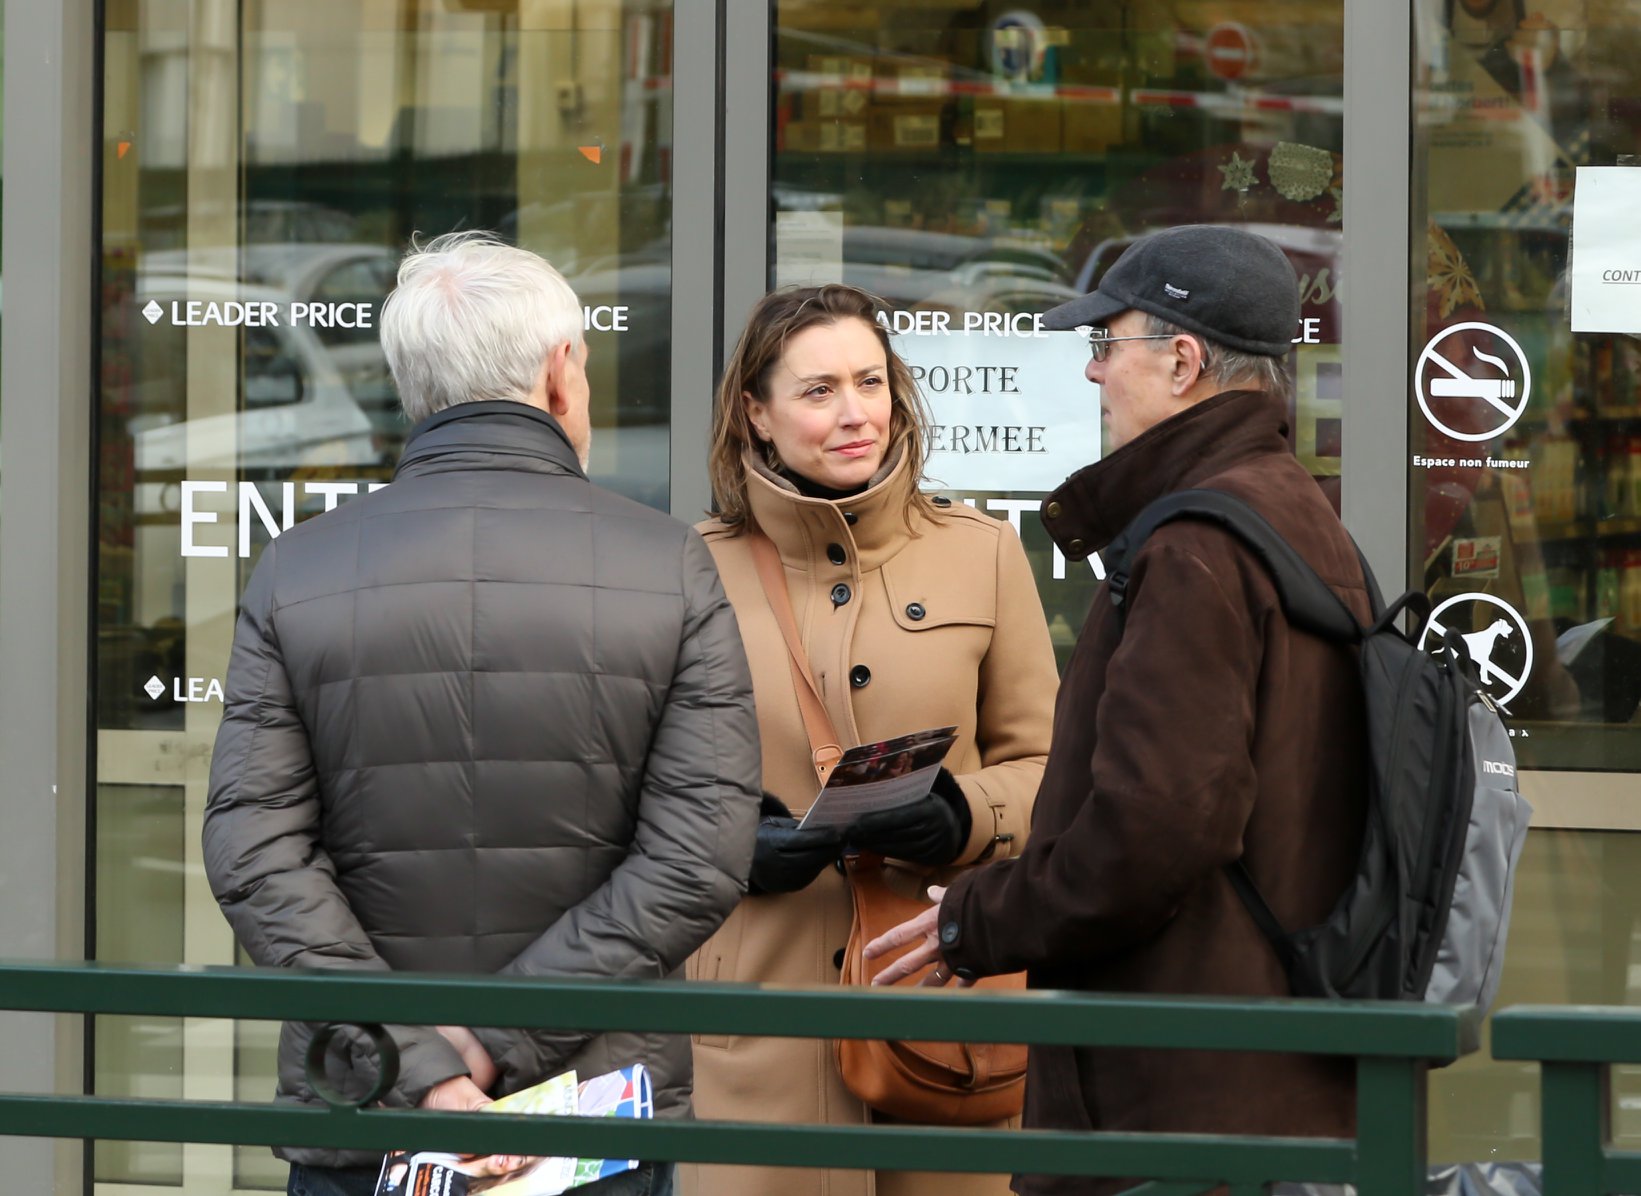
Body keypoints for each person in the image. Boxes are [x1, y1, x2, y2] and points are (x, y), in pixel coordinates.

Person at [202, 231, 762, 1196]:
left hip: (367, 1108)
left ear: (416, 389)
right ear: (559, 376)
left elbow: (256, 855)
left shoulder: (301, 568)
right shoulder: (666, 564)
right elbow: (696, 858)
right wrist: (490, 1047)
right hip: (588, 1112)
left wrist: (424, 1067)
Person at [864, 225, 1375, 1196]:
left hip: (1167, 1102)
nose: (1093, 374)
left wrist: (977, 919)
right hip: (1260, 1079)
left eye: (1109, 345)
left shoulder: (1195, 544)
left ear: (1182, 360)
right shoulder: (1296, 513)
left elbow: (1154, 827)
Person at [680, 284, 1059, 1196]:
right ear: (756, 415)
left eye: (870, 381)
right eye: (817, 392)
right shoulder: (687, 567)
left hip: (945, 1008)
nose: (856, 414)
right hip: (761, 1018)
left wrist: (964, 813)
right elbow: (638, 789)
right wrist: (734, 845)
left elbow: (1053, 768)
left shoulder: (982, 552)